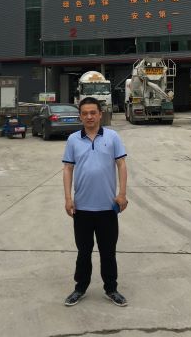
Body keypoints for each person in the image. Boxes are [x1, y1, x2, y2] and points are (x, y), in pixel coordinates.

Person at [62, 96, 128, 307]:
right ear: (80, 117)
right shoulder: (73, 139)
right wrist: (68, 198)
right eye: (85, 113)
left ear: (100, 114)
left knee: (108, 252)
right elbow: (68, 168)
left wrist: (122, 194)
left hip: (108, 207)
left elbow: (121, 164)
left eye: (93, 112)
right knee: (84, 252)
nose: (89, 116)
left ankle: (111, 289)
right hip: (81, 208)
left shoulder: (112, 136)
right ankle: (80, 288)